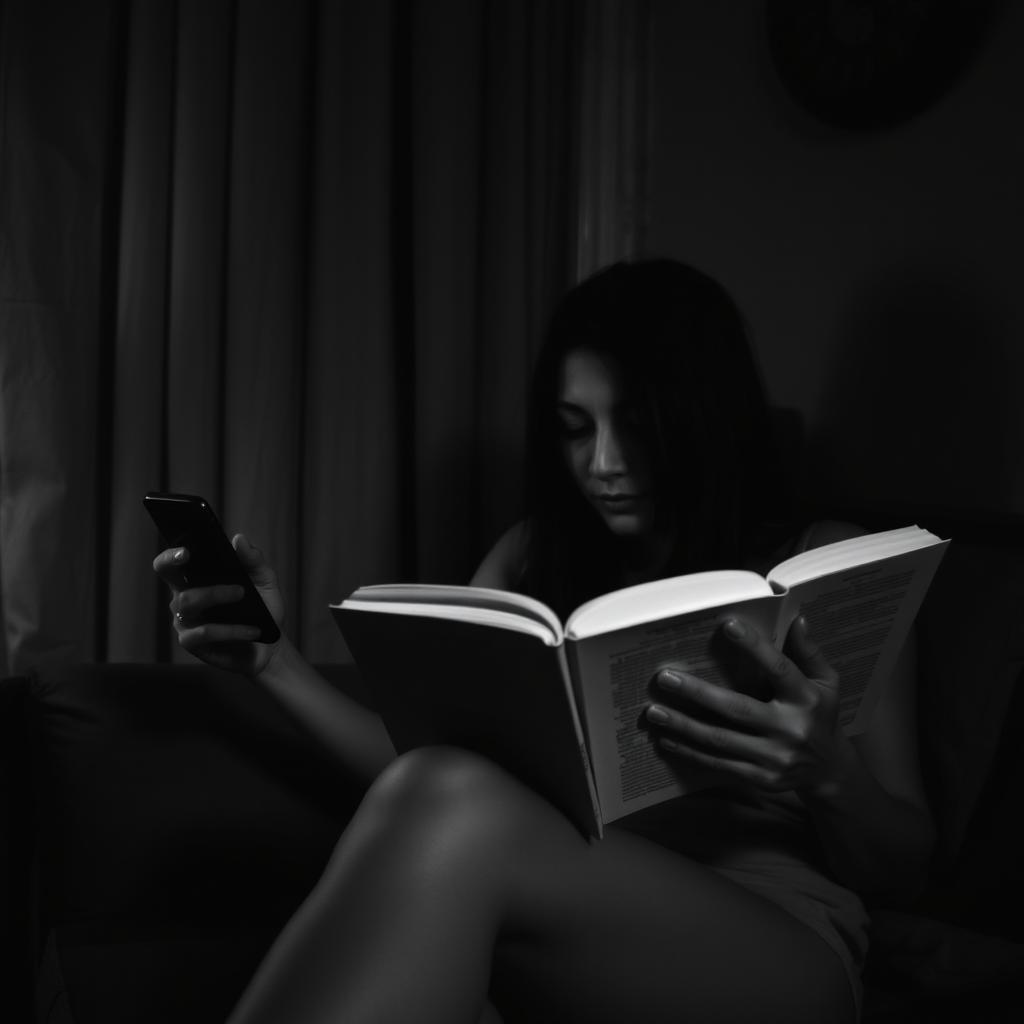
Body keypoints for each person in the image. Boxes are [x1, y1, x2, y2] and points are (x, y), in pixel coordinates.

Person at [154, 259, 934, 1023]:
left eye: (636, 426)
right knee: (447, 789)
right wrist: (272, 660)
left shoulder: (822, 556)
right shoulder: (530, 557)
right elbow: (423, 781)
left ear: (704, 419)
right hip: (558, 914)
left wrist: (826, 772)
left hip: (773, 942)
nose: (603, 464)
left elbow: (911, 868)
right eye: (573, 429)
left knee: (462, 810)